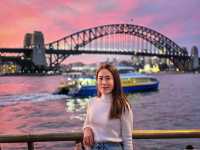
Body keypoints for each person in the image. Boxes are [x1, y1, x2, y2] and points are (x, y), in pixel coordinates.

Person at [82, 63, 133, 150]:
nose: (104, 82)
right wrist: (86, 129)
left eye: (108, 78)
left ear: (115, 81)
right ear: (97, 81)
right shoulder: (92, 102)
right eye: (100, 78)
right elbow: (87, 123)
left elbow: (127, 139)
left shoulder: (122, 105)